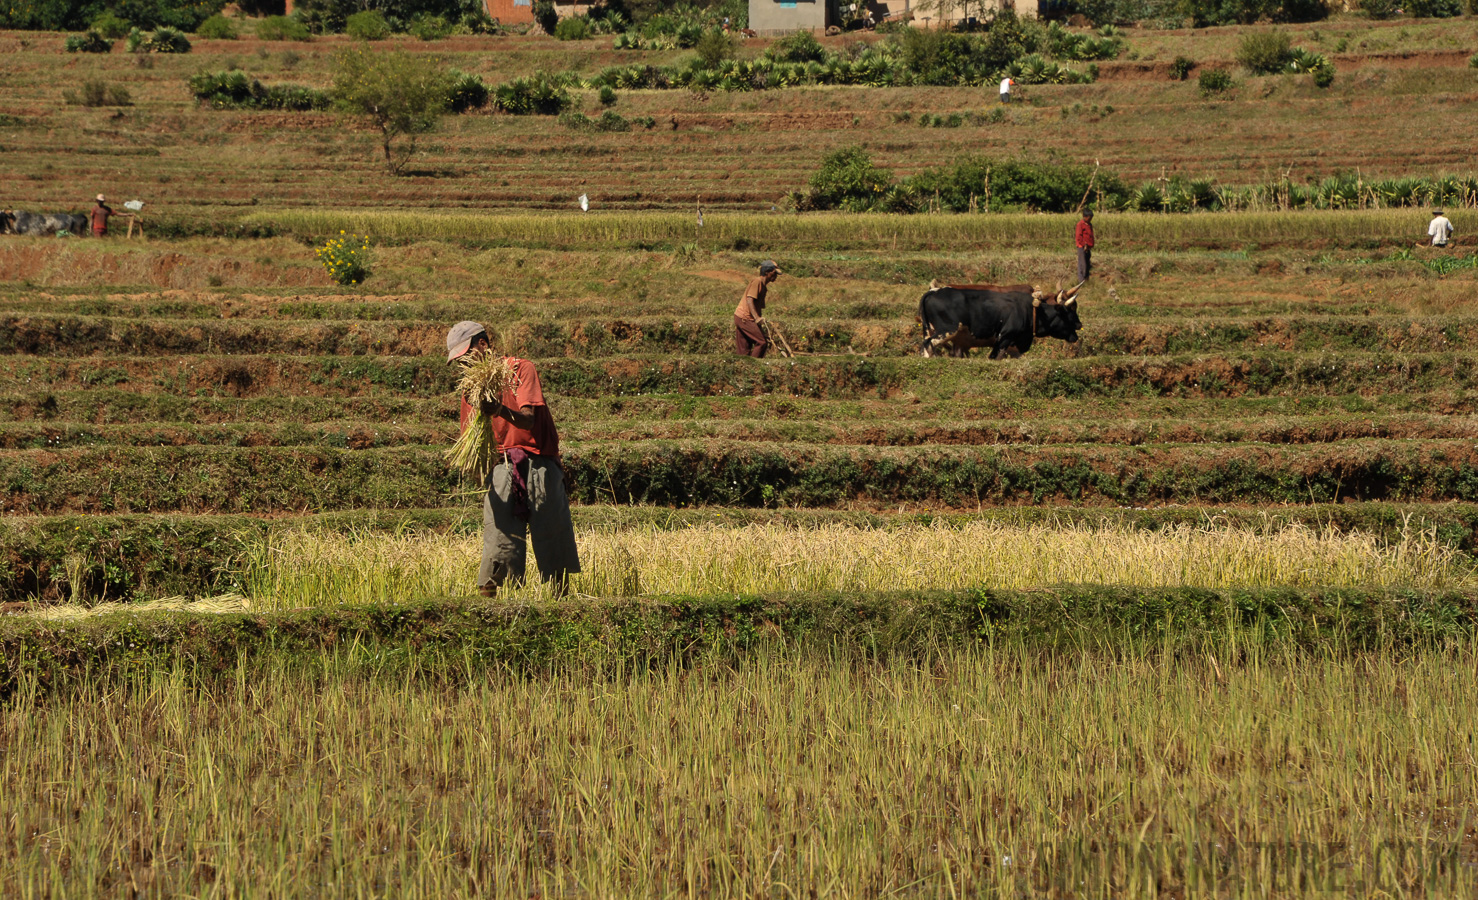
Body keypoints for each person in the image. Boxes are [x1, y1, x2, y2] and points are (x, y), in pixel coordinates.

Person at [446, 320, 580, 598]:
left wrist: (498, 410)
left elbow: (528, 420)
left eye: (467, 356)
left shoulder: (519, 369)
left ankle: (564, 609)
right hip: (502, 469)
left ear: (482, 345)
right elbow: (471, 438)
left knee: (554, 543)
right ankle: (489, 617)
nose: (465, 365)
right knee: (497, 545)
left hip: (540, 465)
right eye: (460, 362)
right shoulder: (470, 389)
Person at [734, 260, 781, 358]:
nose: (776, 276)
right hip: (745, 318)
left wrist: (758, 320)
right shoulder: (757, 282)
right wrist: (756, 318)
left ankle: (744, 368)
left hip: (742, 317)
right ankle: (755, 366)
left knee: (744, 349)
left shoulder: (763, 286)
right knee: (761, 342)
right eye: (774, 273)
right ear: (767, 272)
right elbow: (750, 300)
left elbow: (757, 305)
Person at [1075, 209, 1095, 281]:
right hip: (1082, 247)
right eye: (1089, 218)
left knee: (1087, 264)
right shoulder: (1080, 224)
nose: (1090, 219)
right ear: (1085, 217)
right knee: (1082, 265)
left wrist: (1090, 245)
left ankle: (1086, 280)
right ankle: (1081, 281)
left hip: (1088, 247)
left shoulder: (1089, 225)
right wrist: (1084, 245)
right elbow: (1078, 237)